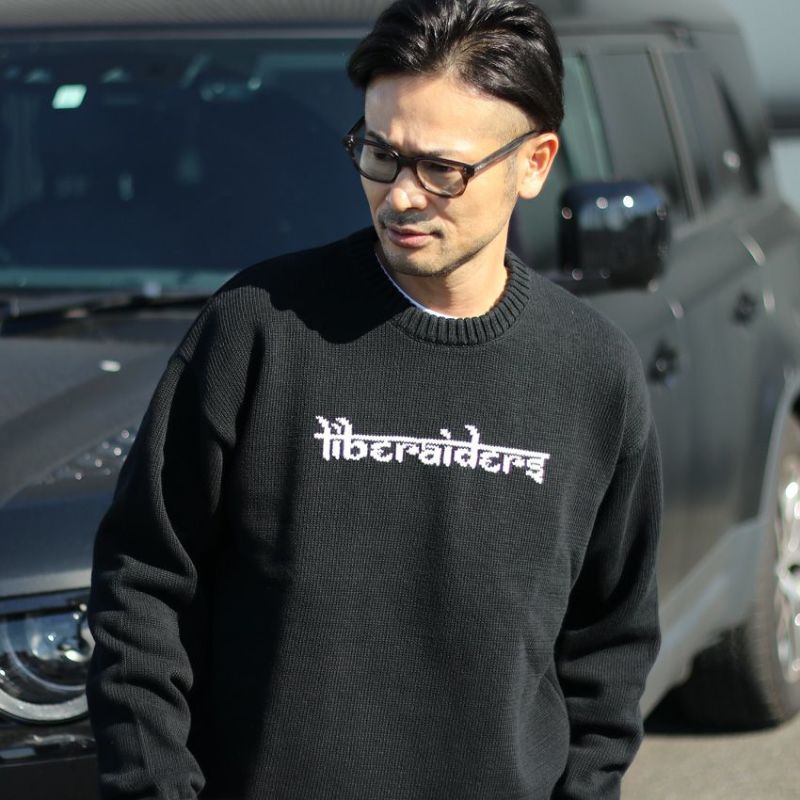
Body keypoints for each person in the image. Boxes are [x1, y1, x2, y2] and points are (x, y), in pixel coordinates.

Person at [87, 1, 662, 798]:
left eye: (442, 170)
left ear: (535, 163)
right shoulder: (260, 329)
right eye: (380, 153)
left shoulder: (592, 372)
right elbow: (142, 585)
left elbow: (610, 642)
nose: (400, 197)